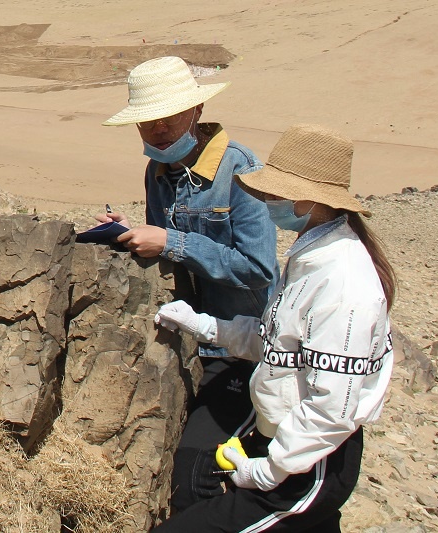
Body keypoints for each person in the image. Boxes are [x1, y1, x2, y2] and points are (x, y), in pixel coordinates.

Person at [151, 123, 396, 532]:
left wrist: (269, 471)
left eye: (275, 191)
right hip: (288, 443)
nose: (265, 199)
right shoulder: (312, 255)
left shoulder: (344, 284)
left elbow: (333, 410)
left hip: (309, 466)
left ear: (308, 200)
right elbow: (274, 343)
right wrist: (206, 326)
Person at [100, 56, 280, 510]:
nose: (157, 129)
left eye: (167, 117)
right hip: (187, 340)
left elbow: (258, 269)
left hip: (240, 348)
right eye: (146, 121)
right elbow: (170, 251)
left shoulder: (240, 170)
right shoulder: (158, 172)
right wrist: (131, 233)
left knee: (196, 472)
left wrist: (172, 240)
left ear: (196, 111)